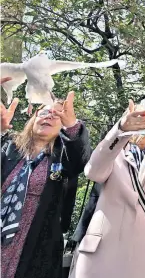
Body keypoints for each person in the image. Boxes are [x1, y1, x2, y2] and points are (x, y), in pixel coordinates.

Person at [69, 99, 145, 278]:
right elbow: (93, 172)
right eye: (138, 117)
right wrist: (122, 130)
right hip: (103, 252)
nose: (143, 123)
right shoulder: (111, 153)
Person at [1, 91, 91, 278]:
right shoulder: (10, 148)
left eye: (56, 114)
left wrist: (73, 126)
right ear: (33, 119)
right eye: (44, 112)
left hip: (37, 241)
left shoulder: (64, 157)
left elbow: (81, 159)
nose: (49, 116)